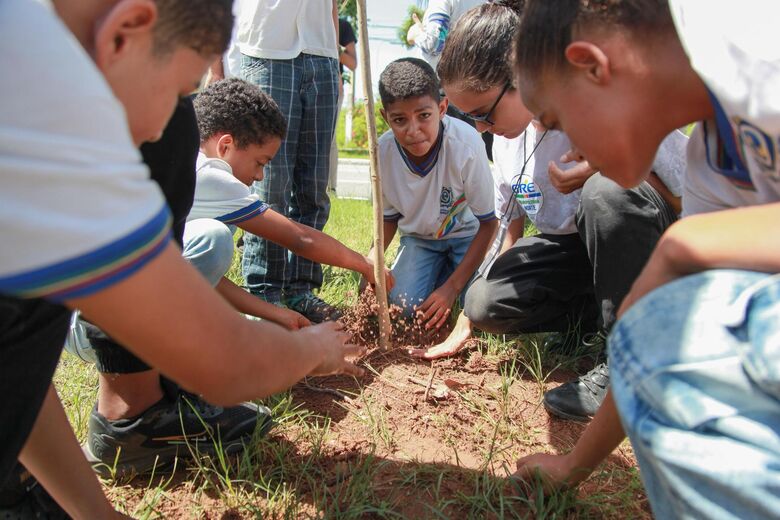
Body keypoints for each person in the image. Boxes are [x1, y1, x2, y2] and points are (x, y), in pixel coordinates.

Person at [0, 0, 361, 516]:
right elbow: (226, 362)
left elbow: (16, 369)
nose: (159, 128)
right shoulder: (46, 129)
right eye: (180, 93)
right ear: (126, 32)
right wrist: (314, 347)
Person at [512, 1, 780, 517]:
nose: (566, 147)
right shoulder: (714, 163)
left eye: (559, 122)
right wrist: (574, 467)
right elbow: (648, 341)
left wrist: (683, 248)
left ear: (593, 66)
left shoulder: (758, 45)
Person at [411, 1, 685, 427]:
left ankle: (629, 362)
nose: (481, 129)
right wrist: (468, 314)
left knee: (604, 195)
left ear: (523, 76)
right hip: (579, 253)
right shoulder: (506, 143)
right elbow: (511, 231)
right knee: (485, 301)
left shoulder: (605, 96)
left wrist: (607, 163)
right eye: (472, 118)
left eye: (484, 113)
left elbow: (689, 203)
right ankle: (598, 313)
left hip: (659, 249)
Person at [230, 0, 343, 323]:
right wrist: (216, 68)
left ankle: (301, 289)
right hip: (267, 50)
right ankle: (264, 290)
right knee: (270, 183)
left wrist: (333, 63)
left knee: (313, 186)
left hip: (322, 54)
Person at [372, 57, 498, 329]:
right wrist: (372, 261)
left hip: (468, 238)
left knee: (479, 310)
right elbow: (388, 218)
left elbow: (489, 224)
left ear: (442, 108)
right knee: (401, 308)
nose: (413, 130)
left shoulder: (467, 144)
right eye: (399, 120)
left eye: (424, 116)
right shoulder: (382, 153)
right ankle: (436, 269)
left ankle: (449, 276)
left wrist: (451, 289)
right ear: (385, 117)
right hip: (420, 240)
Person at [328, 16, 358, 193]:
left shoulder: (343, 26)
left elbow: (353, 63)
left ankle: (331, 188)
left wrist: (334, 47)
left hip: (332, 87)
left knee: (329, 140)